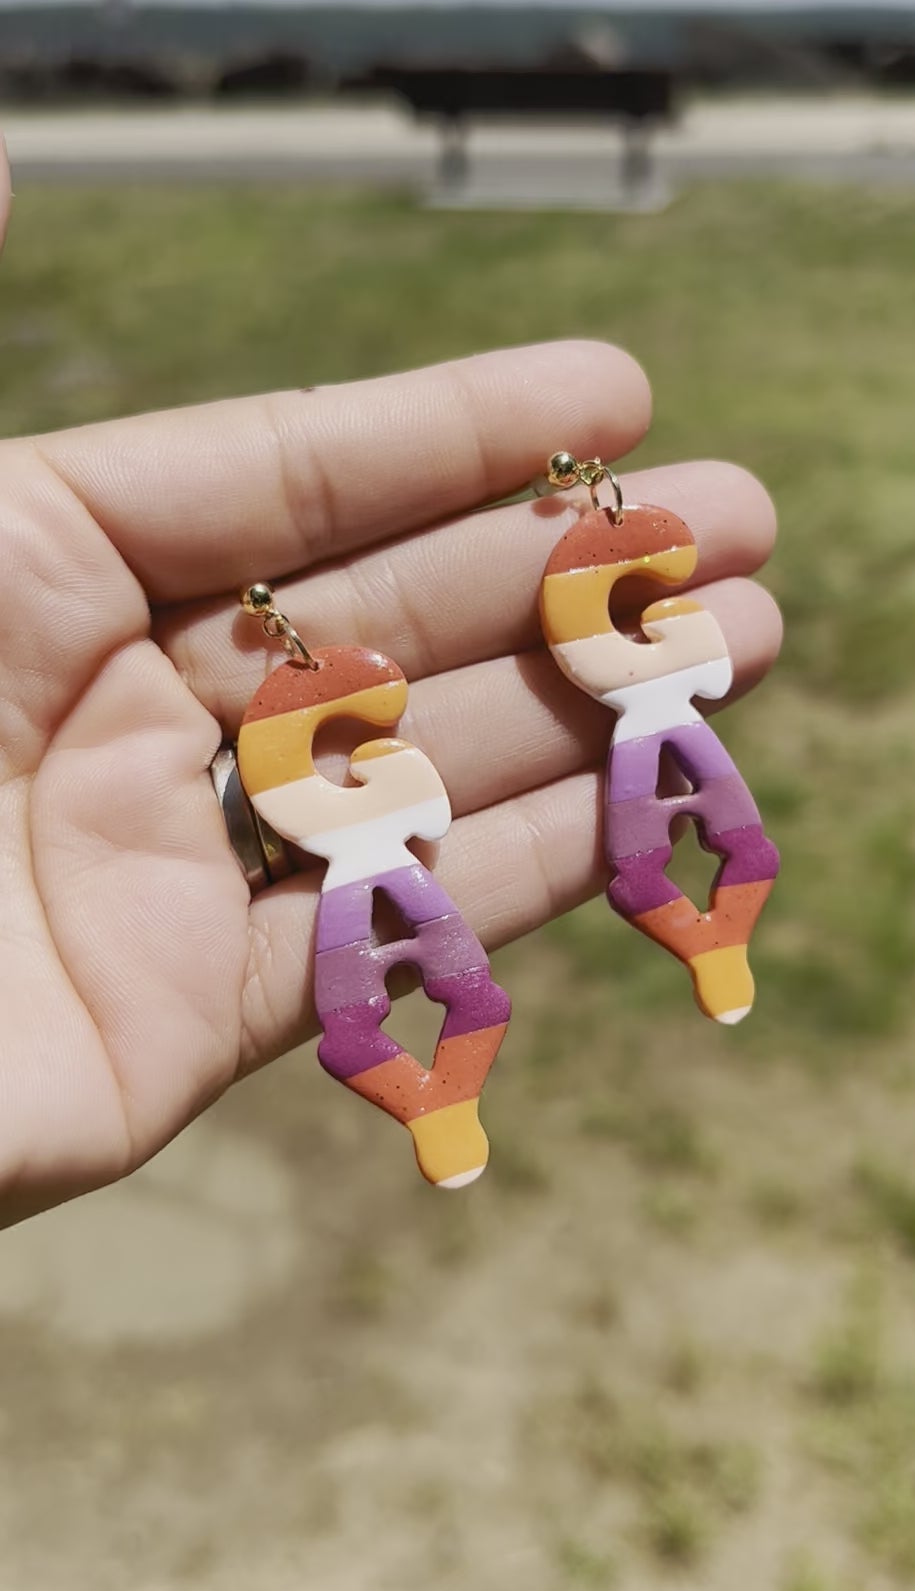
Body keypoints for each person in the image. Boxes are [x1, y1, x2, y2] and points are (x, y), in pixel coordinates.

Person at [0, 141, 782, 1229]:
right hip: (388, 840)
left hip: (557, 766)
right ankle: (446, 1101)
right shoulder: (358, 785)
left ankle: (705, 947)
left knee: (505, 963)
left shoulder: (630, 674)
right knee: (434, 993)